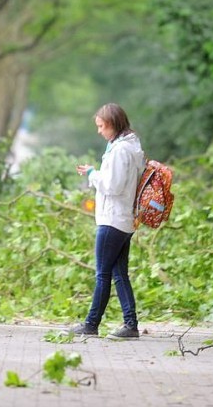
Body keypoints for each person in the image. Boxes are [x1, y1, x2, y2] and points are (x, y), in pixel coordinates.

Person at [70, 103, 146, 339]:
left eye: (101, 126)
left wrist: (93, 174)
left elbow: (113, 186)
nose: (99, 131)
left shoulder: (120, 151)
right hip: (124, 219)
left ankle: (91, 324)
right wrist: (95, 171)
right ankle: (130, 324)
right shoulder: (129, 148)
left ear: (112, 124)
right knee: (119, 273)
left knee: (102, 274)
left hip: (112, 219)